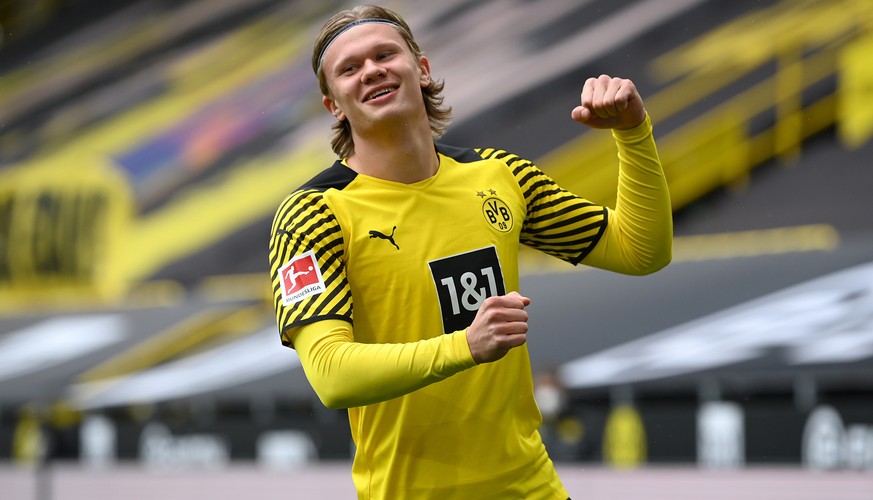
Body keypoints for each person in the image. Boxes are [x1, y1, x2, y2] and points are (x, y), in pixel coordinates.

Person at [268, 4, 672, 499]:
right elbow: (331, 374)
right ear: (334, 105)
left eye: (383, 54)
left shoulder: (499, 176)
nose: (371, 70)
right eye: (349, 69)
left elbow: (640, 250)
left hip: (532, 487)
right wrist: (465, 346)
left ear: (421, 68)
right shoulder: (312, 213)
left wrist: (632, 133)